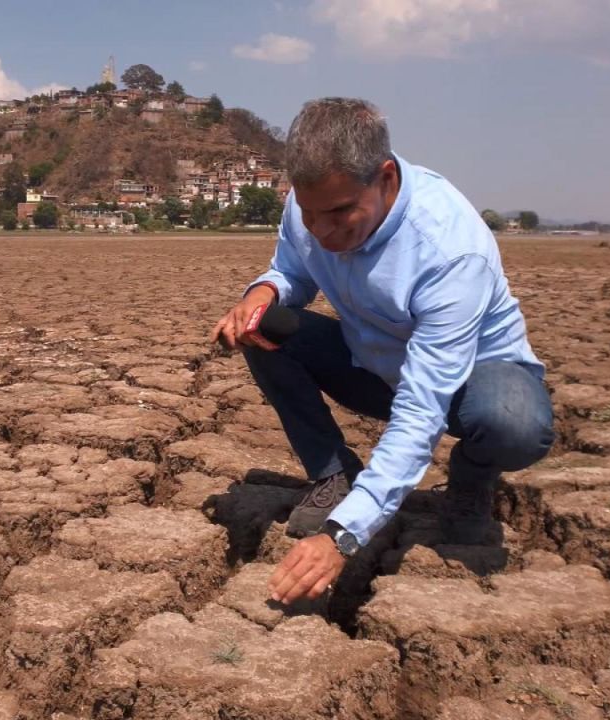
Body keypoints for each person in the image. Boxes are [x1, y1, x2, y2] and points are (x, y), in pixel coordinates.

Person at [211, 98, 555, 606]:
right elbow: (291, 270)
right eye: (309, 214)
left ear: (386, 178)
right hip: (372, 366)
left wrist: (342, 536)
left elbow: (423, 406)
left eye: (340, 213)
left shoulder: (448, 250)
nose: (322, 231)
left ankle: (471, 482)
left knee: (514, 423)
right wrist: (261, 294)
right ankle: (333, 475)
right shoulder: (312, 202)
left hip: (470, 385)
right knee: (265, 329)